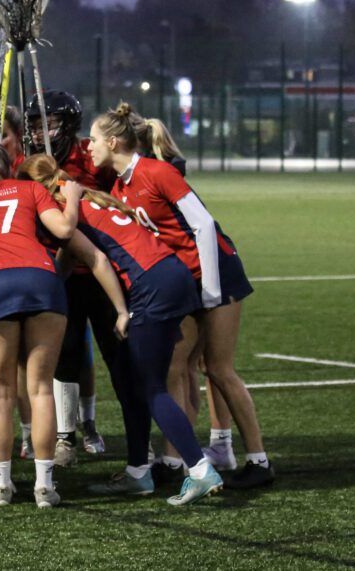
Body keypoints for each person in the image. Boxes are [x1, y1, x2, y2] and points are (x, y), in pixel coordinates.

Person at [20, 154, 224, 506]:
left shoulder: (67, 208)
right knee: (130, 381)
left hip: (151, 285)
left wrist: (119, 310)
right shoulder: (85, 196)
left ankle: (200, 469)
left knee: (150, 387)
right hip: (170, 274)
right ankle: (137, 472)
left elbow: (96, 259)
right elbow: (69, 260)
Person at [89, 102, 273, 489]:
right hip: (183, 281)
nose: (88, 147)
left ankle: (258, 460)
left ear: (112, 141)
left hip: (216, 273)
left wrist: (208, 290)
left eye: (92, 140)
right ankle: (174, 461)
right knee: (175, 368)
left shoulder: (157, 171)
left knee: (218, 368)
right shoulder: (120, 185)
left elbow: (204, 226)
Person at [0, 140, 122, 508]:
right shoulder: (31, 188)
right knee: (41, 389)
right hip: (41, 281)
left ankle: (2, 485)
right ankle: (44, 486)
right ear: (8, 165)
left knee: (2, 391)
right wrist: (74, 197)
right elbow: (64, 230)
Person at [24, 90, 117, 465]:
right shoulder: (31, 161)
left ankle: (101, 426)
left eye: (47, 123)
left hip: (97, 267)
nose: (39, 132)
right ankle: (65, 436)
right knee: (65, 352)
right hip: (57, 271)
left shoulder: (90, 157)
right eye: (34, 125)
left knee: (116, 352)